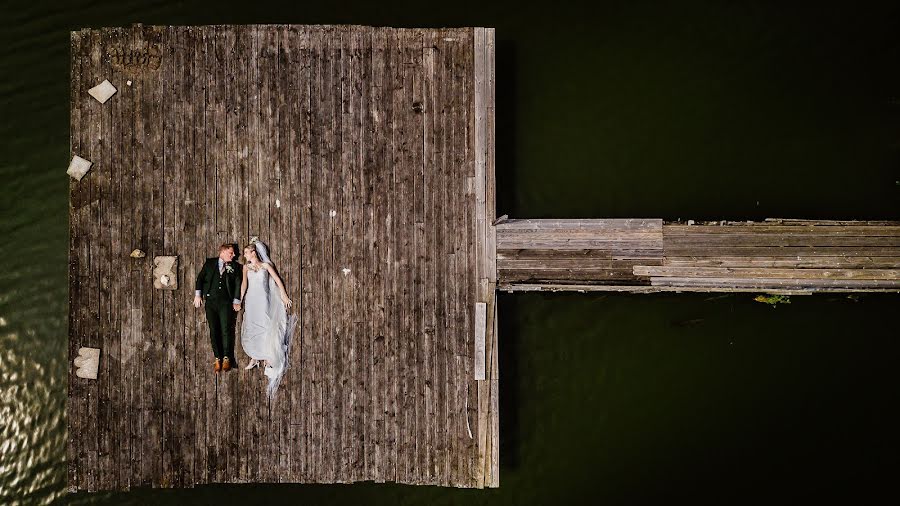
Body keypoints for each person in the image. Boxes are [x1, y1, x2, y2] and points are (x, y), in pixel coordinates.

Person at [238, 238, 297, 400]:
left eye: (246, 252)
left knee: (264, 325)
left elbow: (277, 280)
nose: (245, 255)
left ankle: (265, 354)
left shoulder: (266, 266)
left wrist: (284, 296)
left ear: (254, 252)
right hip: (251, 299)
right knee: (252, 324)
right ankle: (255, 356)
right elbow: (244, 285)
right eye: (244, 253)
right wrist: (240, 299)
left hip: (264, 299)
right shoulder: (245, 268)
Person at [193, 243, 243, 373]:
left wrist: (236, 301)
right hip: (210, 302)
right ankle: (217, 358)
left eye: (234, 254)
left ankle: (227, 358)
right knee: (213, 329)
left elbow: (238, 282)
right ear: (223, 251)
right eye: (231, 253)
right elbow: (200, 278)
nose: (234, 255)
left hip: (226, 302)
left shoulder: (236, 267)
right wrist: (198, 295)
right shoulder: (210, 263)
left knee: (226, 329)